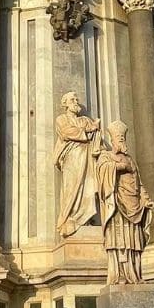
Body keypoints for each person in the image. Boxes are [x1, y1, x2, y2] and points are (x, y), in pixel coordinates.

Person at [95, 121, 153, 285]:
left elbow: (139, 182)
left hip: (133, 205)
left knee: (133, 242)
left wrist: (146, 199)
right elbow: (102, 171)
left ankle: (134, 275)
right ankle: (118, 274)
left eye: (123, 139)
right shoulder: (106, 156)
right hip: (116, 204)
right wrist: (120, 166)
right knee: (119, 240)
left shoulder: (131, 160)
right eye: (118, 139)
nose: (122, 141)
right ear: (112, 141)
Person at [53, 93, 102, 239]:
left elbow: (95, 132)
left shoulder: (84, 120)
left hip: (86, 157)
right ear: (65, 103)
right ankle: (70, 217)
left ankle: (85, 218)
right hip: (70, 158)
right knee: (71, 188)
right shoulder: (61, 119)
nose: (76, 102)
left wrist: (95, 129)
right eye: (72, 100)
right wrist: (88, 130)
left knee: (86, 186)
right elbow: (67, 132)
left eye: (76, 100)